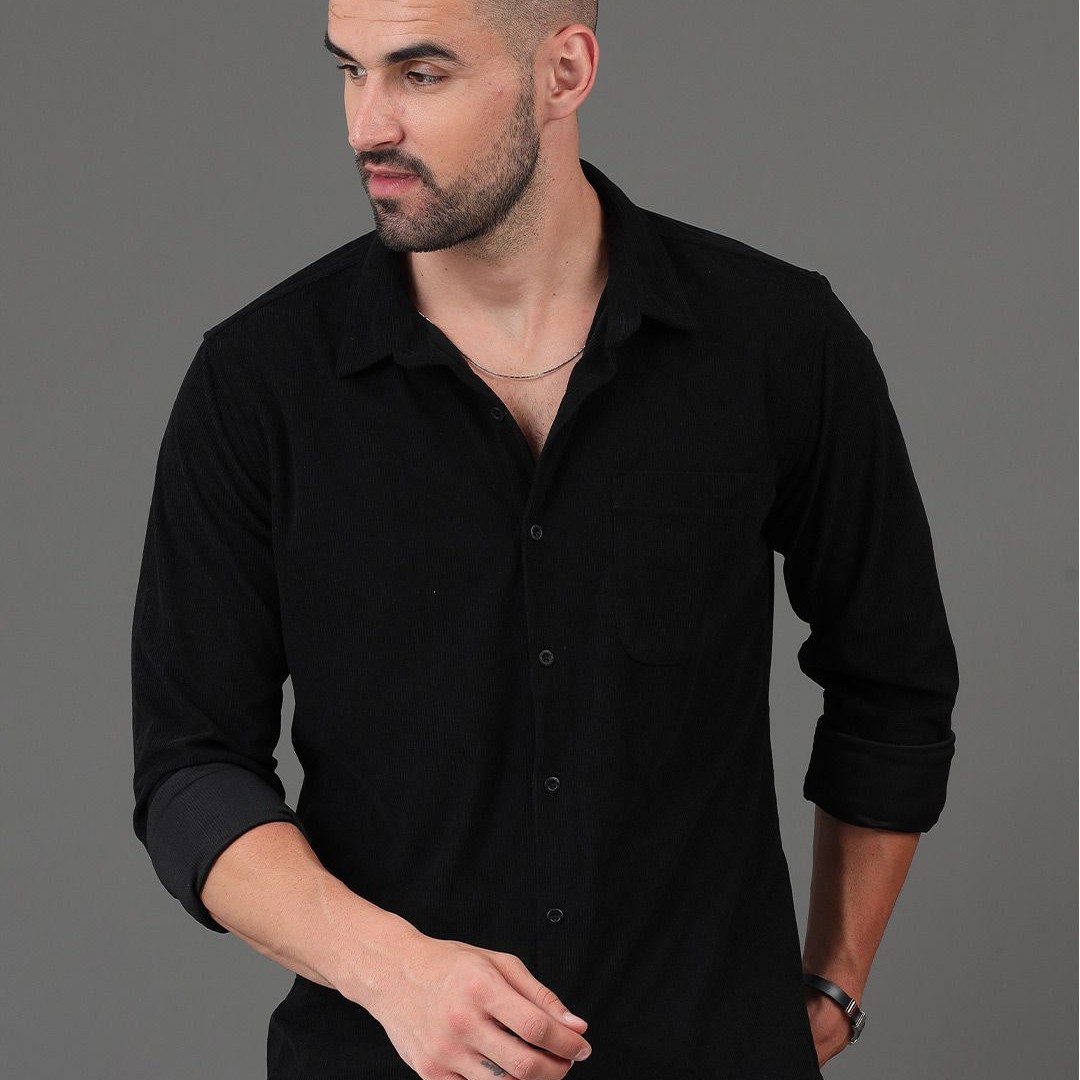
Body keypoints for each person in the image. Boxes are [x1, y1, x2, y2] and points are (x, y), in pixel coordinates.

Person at [130, 2, 960, 1078]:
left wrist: (835, 978)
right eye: (350, 70)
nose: (367, 124)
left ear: (564, 71)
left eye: (420, 73)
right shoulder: (257, 384)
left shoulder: (778, 341)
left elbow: (891, 682)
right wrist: (396, 974)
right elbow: (191, 771)